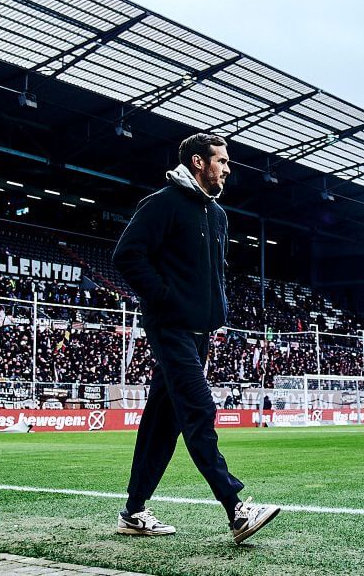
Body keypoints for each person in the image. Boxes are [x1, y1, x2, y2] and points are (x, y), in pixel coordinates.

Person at [112, 133, 279, 544]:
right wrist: (165, 299)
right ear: (198, 162)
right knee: (199, 410)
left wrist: (216, 308)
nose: (227, 168)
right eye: (221, 161)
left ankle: (133, 512)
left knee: (161, 424)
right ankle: (236, 508)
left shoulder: (218, 215)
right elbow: (126, 255)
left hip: (201, 332)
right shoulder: (162, 204)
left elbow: (215, 271)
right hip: (170, 327)